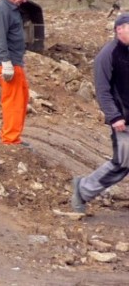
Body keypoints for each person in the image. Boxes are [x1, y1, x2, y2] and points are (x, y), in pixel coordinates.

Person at [70, 13, 129, 214]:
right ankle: (83, 189)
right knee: (122, 162)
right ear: (119, 29)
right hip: (122, 119)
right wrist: (114, 116)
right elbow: (102, 89)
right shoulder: (107, 55)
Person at [0, 0, 33, 145]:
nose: (25, 0)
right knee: (14, 101)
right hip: (8, 63)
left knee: (21, 98)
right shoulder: (0, 9)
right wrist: (5, 62)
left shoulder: (12, 8)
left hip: (15, 62)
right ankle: (10, 139)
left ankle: (12, 136)